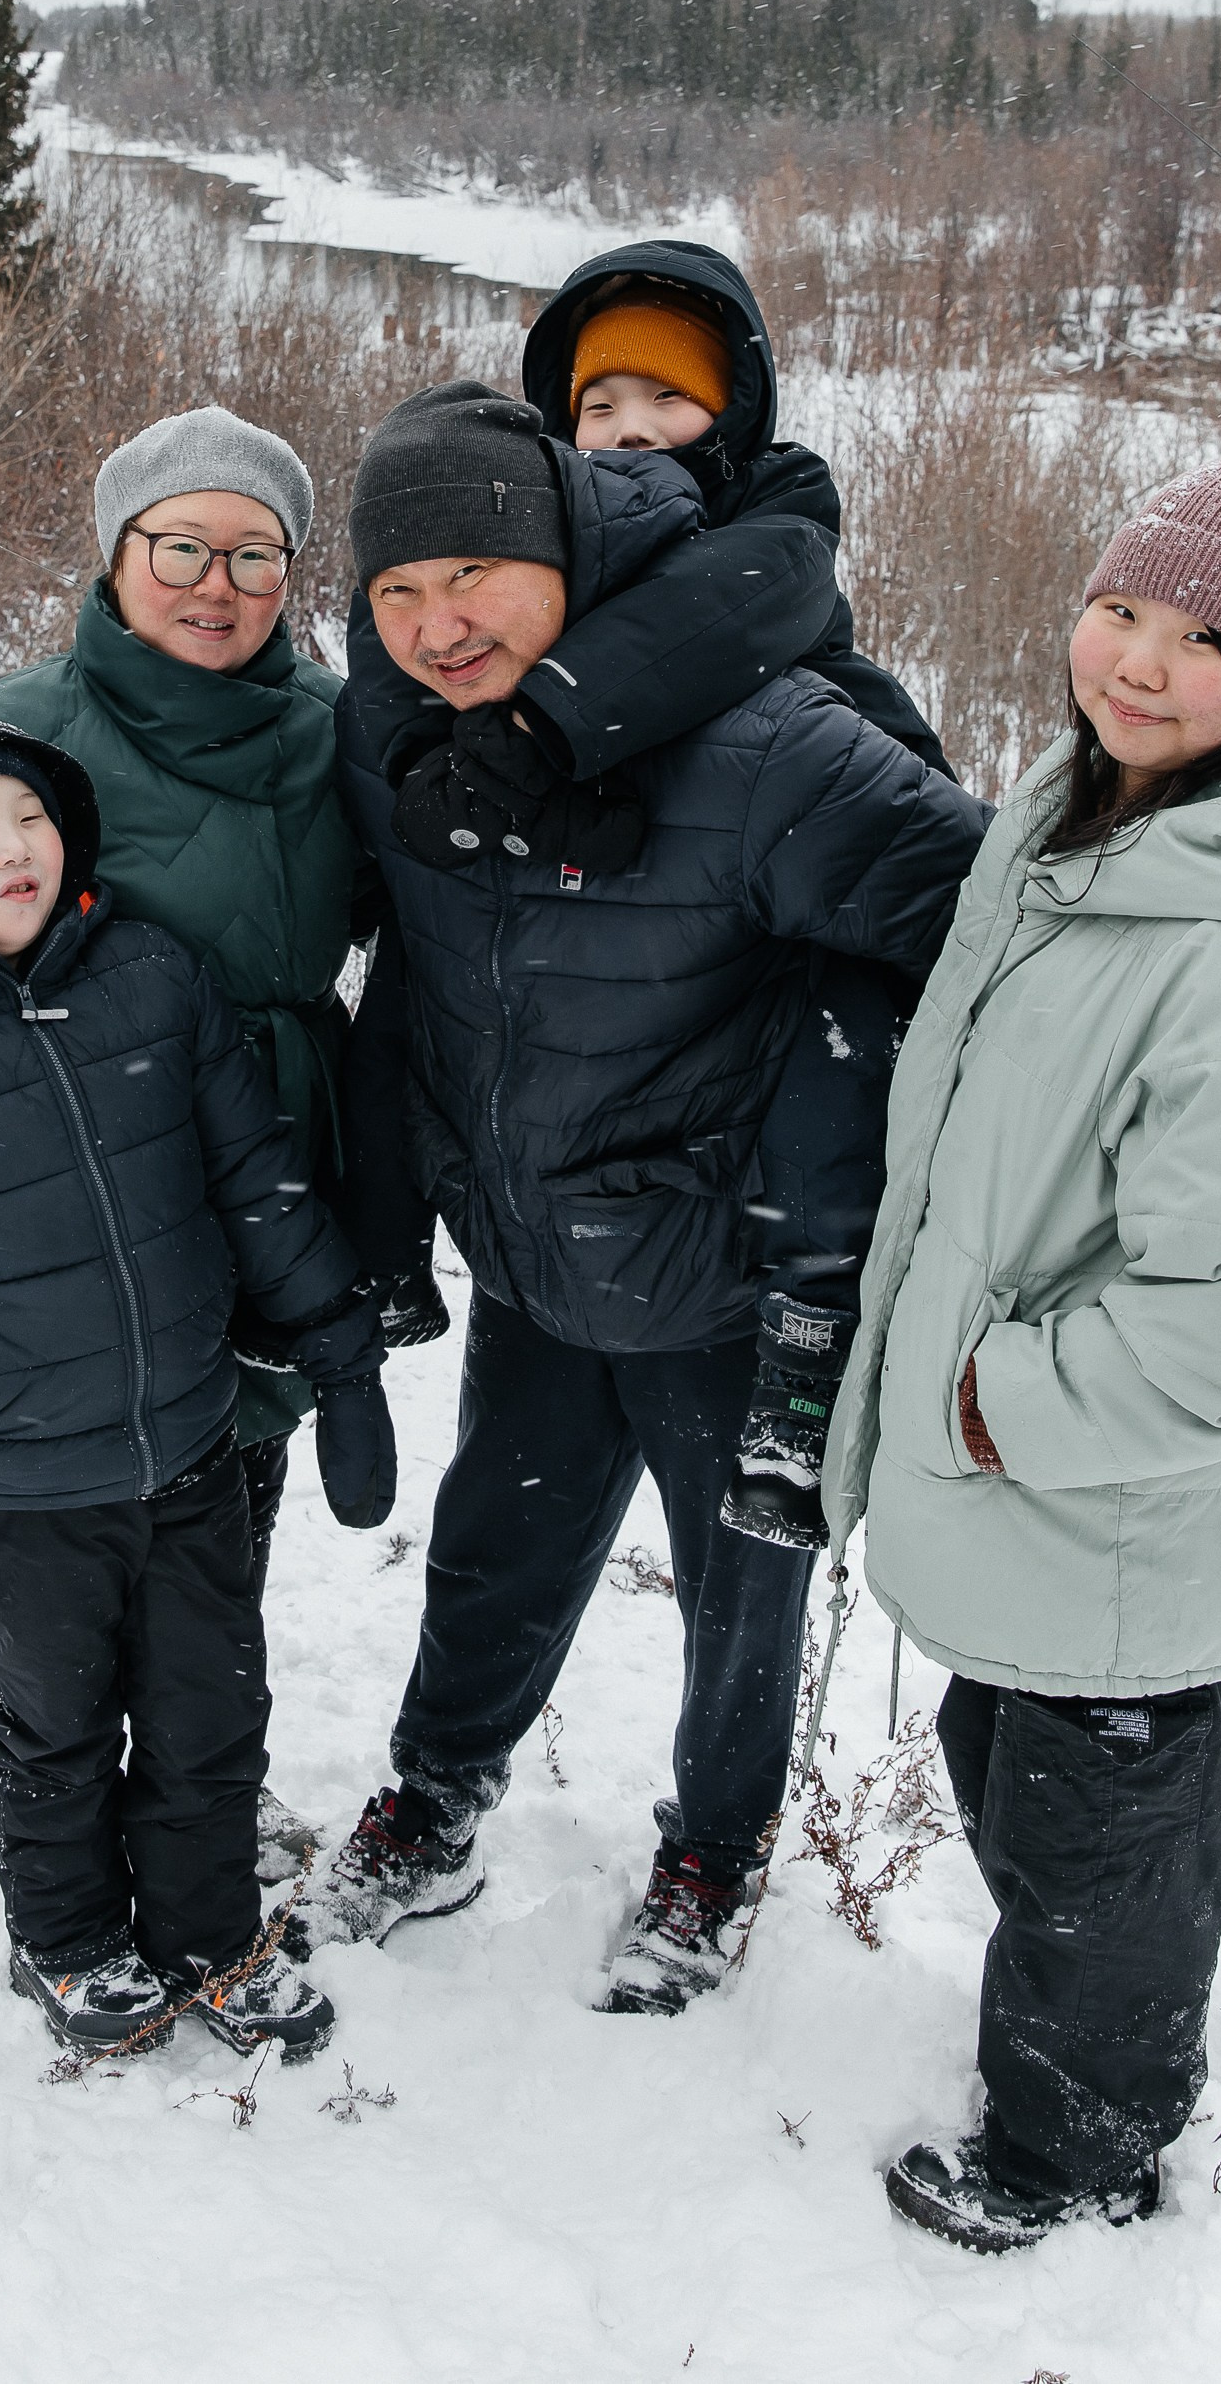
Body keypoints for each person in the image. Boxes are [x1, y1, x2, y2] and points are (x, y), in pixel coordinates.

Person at [300, 379, 989, 2013]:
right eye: (394, 590)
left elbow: (979, 917)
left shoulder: (756, 746)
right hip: (534, 1269)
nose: (432, 621)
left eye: (469, 574)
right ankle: (438, 1795)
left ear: (557, 548)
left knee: (738, 1599)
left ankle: (715, 1849)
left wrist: (826, 1117)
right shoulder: (401, 736)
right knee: (490, 1551)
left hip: (725, 1289)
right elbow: (406, 978)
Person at [822, 446, 1221, 2252]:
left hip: (1107, 1517)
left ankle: (1075, 2166)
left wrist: (987, 1401)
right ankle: (1085, 2073)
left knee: (1098, 1870)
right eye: (1121, 608)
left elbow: (1215, 1337)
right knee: (1022, 1792)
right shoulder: (1087, 824)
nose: (1136, 662)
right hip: (1047, 1518)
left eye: (1200, 641)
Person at [0, 405, 442, 1640]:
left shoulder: (341, 731)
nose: (216, 586)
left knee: (227, 1493)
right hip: (79, 1156)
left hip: (274, 1143)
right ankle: (62, 1763)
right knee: (84, 1509)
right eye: (180, 546)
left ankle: (199, 1751)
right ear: (117, 554)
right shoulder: (16, 734)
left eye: (254, 553)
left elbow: (439, 916)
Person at [0, 699, 395, 2064]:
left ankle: (209, 1931)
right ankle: (66, 1939)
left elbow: (257, 1185)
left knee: (211, 1710)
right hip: (17, 1476)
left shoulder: (151, 980)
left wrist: (339, 1349)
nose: (14, 848)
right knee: (58, 1723)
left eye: (34, 817)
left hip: (188, 1446)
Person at [345, 241, 953, 1552]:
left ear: (733, 413)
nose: (632, 437)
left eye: (667, 404)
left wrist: (567, 736)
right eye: (598, 410)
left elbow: (918, 846)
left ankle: (810, 1325)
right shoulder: (498, 578)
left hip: (731, 1112)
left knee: (840, 1024)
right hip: (550, 1183)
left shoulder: (776, 559)